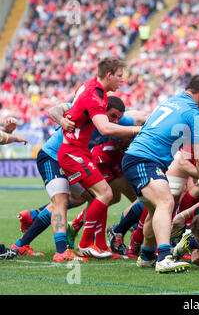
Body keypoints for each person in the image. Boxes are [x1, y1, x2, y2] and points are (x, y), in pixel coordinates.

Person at [122, 74, 199, 273]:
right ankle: (164, 258)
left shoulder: (174, 100)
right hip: (144, 159)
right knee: (166, 203)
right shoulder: (193, 114)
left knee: (155, 209)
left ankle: (147, 256)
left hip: (138, 158)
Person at [57, 57, 141, 259]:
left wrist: (65, 119)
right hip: (72, 152)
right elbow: (104, 128)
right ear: (109, 75)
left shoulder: (89, 86)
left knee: (103, 195)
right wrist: (136, 130)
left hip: (79, 151)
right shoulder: (95, 95)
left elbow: (69, 108)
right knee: (104, 194)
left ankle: (101, 245)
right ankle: (85, 243)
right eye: (120, 76)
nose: (122, 80)